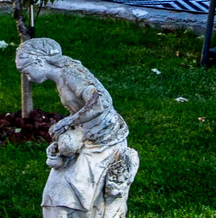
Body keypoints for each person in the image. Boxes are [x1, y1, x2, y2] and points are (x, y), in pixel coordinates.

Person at [16, 37, 140, 218]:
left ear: (38, 61)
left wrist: (67, 122)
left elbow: (102, 102)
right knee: (56, 193)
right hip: (85, 137)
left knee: (77, 198)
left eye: (26, 71)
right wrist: (63, 136)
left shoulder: (70, 73)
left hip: (104, 141)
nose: (28, 78)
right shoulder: (61, 79)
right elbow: (81, 111)